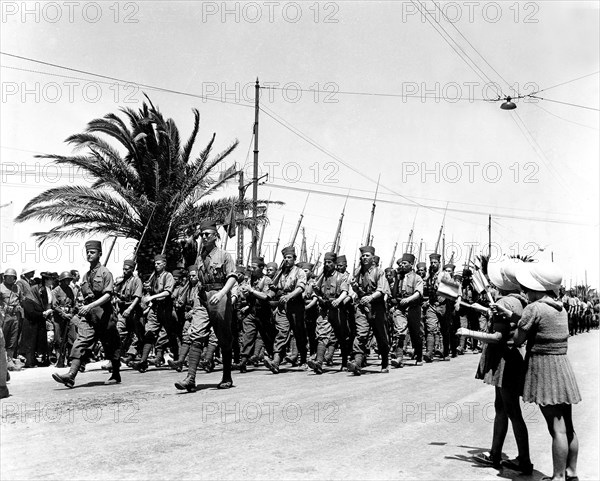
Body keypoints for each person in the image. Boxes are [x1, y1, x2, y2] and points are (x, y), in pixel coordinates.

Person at [458, 259, 532, 474]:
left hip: (505, 361)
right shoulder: (517, 300)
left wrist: (469, 333)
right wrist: (483, 310)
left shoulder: (507, 303)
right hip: (511, 359)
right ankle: (495, 453)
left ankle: (524, 461)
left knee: (512, 411)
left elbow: (498, 337)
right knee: (502, 407)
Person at [513, 261, 581, 481]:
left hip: (544, 369)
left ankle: (558, 476)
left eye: (527, 289)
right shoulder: (560, 308)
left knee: (556, 428)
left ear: (535, 289)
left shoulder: (533, 308)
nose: (525, 293)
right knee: (568, 425)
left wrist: (516, 325)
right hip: (562, 366)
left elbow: (518, 340)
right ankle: (571, 472)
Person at [175, 220, 241, 390]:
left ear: (215, 236)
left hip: (219, 297)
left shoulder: (224, 255)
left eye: (207, 234)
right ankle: (190, 378)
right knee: (196, 334)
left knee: (224, 338)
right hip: (203, 297)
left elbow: (232, 277)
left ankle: (227, 376)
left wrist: (221, 294)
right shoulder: (199, 256)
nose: (204, 237)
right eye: (202, 234)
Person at [52, 240, 121, 387]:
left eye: (93, 252)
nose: (89, 254)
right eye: (88, 252)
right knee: (81, 341)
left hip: (104, 314)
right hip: (89, 316)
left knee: (111, 345)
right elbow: (84, 296)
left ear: (100, 254)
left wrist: (91, 306)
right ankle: (71, 375)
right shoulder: (85, 276)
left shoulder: (105, 273)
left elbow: (108, 295)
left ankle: (116, 374)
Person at [347, 246, 391, 375]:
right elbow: (357, 290)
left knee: (380, 336)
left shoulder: (379, 272)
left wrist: (370, 297)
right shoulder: (358, 272)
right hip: (362, 307)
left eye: (367, 255)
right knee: (361, 334)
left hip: (376, 307)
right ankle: (357, 363)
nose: (364, 258)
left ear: (373, 257)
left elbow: (381, 290)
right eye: (363, 256)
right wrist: (355, 287)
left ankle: (384, 363)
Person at [264, 246, 307, 374]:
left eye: (289, 258)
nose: (287, 260)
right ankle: (276, 361)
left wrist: (289, 296)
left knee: (299, 333)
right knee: (281, 332)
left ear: (294, 258)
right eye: (285, 258)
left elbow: (300, 288)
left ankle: (303, 359)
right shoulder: (281, 273)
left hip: (296, 304)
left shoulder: (300, 272)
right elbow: (273, 286)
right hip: (283, 306)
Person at [132, 254, 178, 372]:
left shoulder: (168, 276)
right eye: (155, 264)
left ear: (164, 264)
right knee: (149, 333)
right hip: (155, 308)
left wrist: (152, 297)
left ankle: (179, 359)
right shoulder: (154, 277)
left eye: (159, 264)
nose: (156, 265)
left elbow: (167, 292)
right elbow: (150, 289)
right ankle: (143, 362)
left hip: (166, 308)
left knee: (171, 334)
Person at [307, 252, 349, 374]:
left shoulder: (342, 277)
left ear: (335, 264)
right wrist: (315, 290)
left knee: (341, 336)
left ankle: (345, 362)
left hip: (338, 309)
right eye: (325, 262)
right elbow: (316, 293)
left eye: (329, 262)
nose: (327, 264)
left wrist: (338, 300)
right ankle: (319, 363)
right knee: (322, 334)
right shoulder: (322, 277)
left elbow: (344, 291)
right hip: (325, 309)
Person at [389, 253, 424, 368]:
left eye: (405, 263)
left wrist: (408, 299)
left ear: (411, 264)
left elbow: (419, 293)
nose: (402, 265)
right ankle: (399, 357)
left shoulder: (417, 278)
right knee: (400, 332)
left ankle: (419, 356)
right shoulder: (398, 277)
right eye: (401, 263)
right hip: (400, 308)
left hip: (413, 308)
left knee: (415, 334)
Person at [114, 259, 144, 365]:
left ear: (132, 269)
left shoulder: (137, 280)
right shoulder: (122, 281)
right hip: (122, 310)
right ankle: (115, 358)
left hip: (134, 310)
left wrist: (130, 309)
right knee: (118, 331)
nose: (124, 271)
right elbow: (115, 293)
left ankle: (131, 356)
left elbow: (137, 297)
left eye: (127, 269)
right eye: (123, 269)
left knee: (136, 335)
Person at [0, 268, 24, 371]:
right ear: (4, 277)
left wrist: (19, 306)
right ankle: (3, 361)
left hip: (15, 315)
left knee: (13, 338)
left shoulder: (17, 288)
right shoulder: (0, 287)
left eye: (12, 277)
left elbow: (21, 299)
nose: (10, 279)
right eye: (8, 277)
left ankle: (9, 360)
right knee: (3, 337)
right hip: (4, 315)